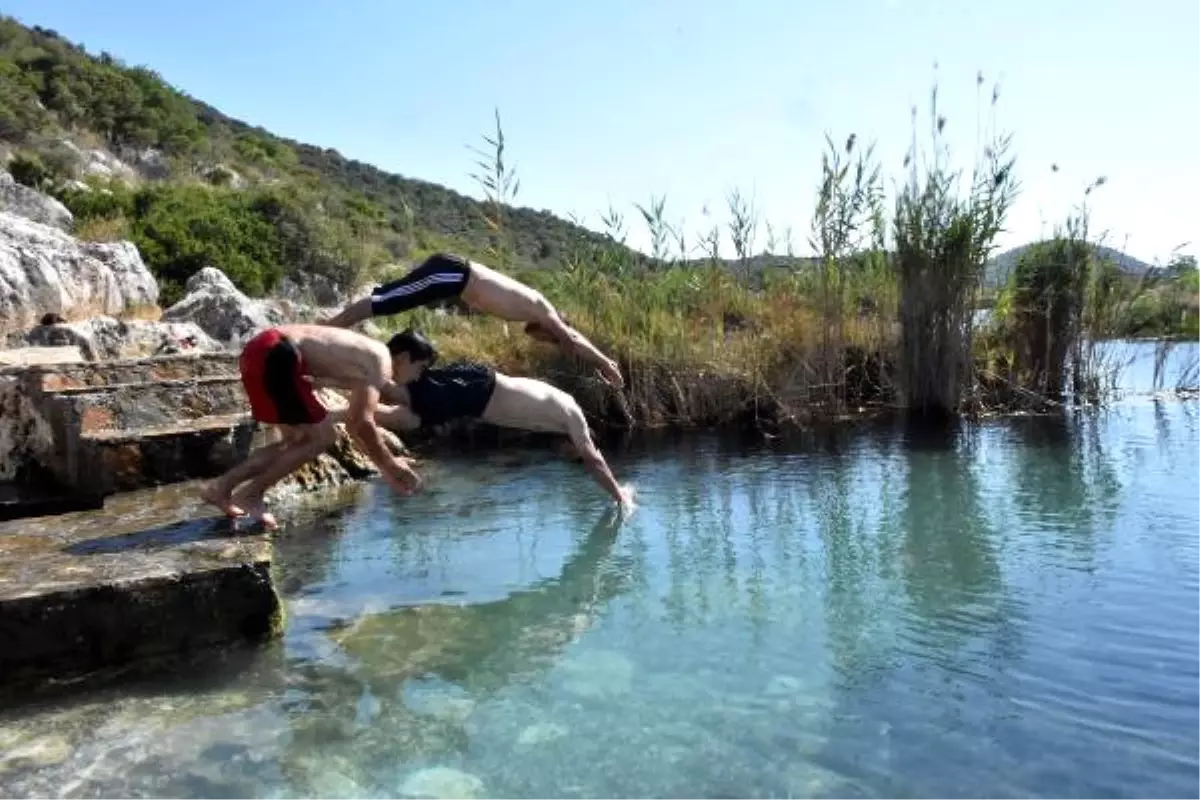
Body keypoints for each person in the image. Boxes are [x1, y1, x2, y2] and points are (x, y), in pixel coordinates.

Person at [200, 325, 435, 529]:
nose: (418, 378)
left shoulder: (365, 357)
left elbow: (355, 425)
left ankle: (221, 488)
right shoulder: (380, 360)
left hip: (259, 349)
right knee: (321, 438)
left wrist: (384, 468)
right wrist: (392, 464)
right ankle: (251, 495)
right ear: (403, 357)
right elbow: (364, 423)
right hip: (279, 353)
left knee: (296, 441)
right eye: (421, 368)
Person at [343, 354, 636, 510]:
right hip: (480, 388)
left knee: (412, 417)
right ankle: (348, 371)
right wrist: (619, 495)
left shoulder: (556, 419)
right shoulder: (574, 417)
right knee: (401, 396)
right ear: (582, 442)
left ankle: (339, 407)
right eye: (573, 454)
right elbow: (595, 461)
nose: (568, 454)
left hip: (478, 395)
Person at [320, 252, 624, 389]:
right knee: (386, 301)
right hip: (453, 274)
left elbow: (566, 338)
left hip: (453, 279)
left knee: (388, 300)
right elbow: (571, 338)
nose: (542, 340)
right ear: (554, 324)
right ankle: (326, 330)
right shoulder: (544, 309)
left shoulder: (532, 310)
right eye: (547, 337)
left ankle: (328, 327)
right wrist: (605, 364)